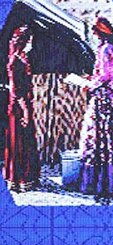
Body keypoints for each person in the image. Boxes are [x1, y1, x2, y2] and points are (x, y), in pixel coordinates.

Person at [78, 17, 113, 203]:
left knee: (100, 136)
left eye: (95, 31)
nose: (94, 34)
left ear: (100, 32)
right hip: (109, 96)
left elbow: (105, 75)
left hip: (103, 98)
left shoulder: (106, 49)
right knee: (110, 136)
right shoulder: (112, 47)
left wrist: (89, 84)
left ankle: (102, 183)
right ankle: (109, 182)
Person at [3, 25, 39, 191]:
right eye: (29, 40)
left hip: (23, 104)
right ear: (23, 41)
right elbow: (16, 90)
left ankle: (25, 178)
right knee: (19, 142)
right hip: (19, 107)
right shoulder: (15, 61)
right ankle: (19, 179)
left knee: (25, 141)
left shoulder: (22, 58)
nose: (31, 44)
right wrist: (25, 111)